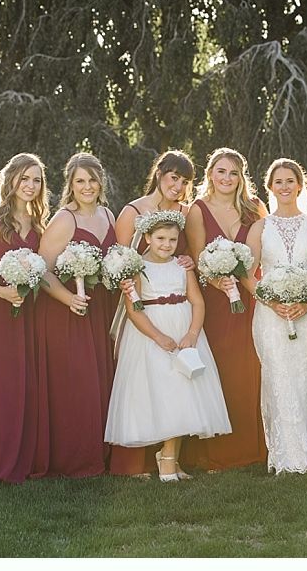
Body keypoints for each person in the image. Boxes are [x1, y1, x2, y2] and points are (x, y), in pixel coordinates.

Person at [104, 211, 232, 482]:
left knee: (186, 392)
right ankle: (166, 459)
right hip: (152, 334)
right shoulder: (137, 268)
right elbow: (133, 310)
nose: (166, 244)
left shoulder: (182, 266)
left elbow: (197, 301)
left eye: (173, 240)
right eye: (160, 238)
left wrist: (192, 334)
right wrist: (157, 336)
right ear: (147, 237)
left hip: (184, 330)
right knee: (165, 394)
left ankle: (169, 457)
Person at [109, 149, 196, 477]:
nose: (178, 186)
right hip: (142, 306)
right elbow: (121, 260)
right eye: (174, 177)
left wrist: (190, 262)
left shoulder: (186, 211)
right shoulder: (133, 210)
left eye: (185, 181)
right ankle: (136, 462)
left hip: (177, 304)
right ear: (160, 174)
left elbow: (188, 252)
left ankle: (171, 457)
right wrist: (131, 291)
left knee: (178, 382)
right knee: (144, 383)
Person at [184, 148, 269, 471]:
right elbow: (197, 259)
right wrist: (217, 281)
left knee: (252, 366)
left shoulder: (255, 208)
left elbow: (260, 255)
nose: (227, 179)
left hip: (249, 298)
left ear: (241, 177)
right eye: (221, 172)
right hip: (217, 302)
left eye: (233, 173)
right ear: (210, 174)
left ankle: (253, 445)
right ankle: (218, 450)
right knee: (221, 368)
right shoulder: (198, 209)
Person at [0, 153, 50, 484]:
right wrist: (1, 293)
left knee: (22, 380)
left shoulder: (38, 223)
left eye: (37, 180)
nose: (30, 186)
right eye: (25, 178)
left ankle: (22, 456)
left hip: (25, 310)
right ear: (11, 179)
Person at [35, 152, 117, 478]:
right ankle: (76, 458)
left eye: (92, 180)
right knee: (78, 383)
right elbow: (42, 269)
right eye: (80, 181)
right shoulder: (64, 219)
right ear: (70, 184)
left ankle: (104, 452)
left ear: (101, 182)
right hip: (68, 312)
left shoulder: (108, 215)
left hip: (101, 309)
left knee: (101, 378)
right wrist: (69, 298)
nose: (87, 187)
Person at [244, 158, 307, 474]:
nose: (284, 186)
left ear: (300, 184)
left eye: (290, 180)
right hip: (270, 315)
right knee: (278, 375)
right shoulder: (260, 227)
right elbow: (248, 273)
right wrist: (270, 300)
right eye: (278, 181)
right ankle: (284, 454)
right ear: (270, 187)